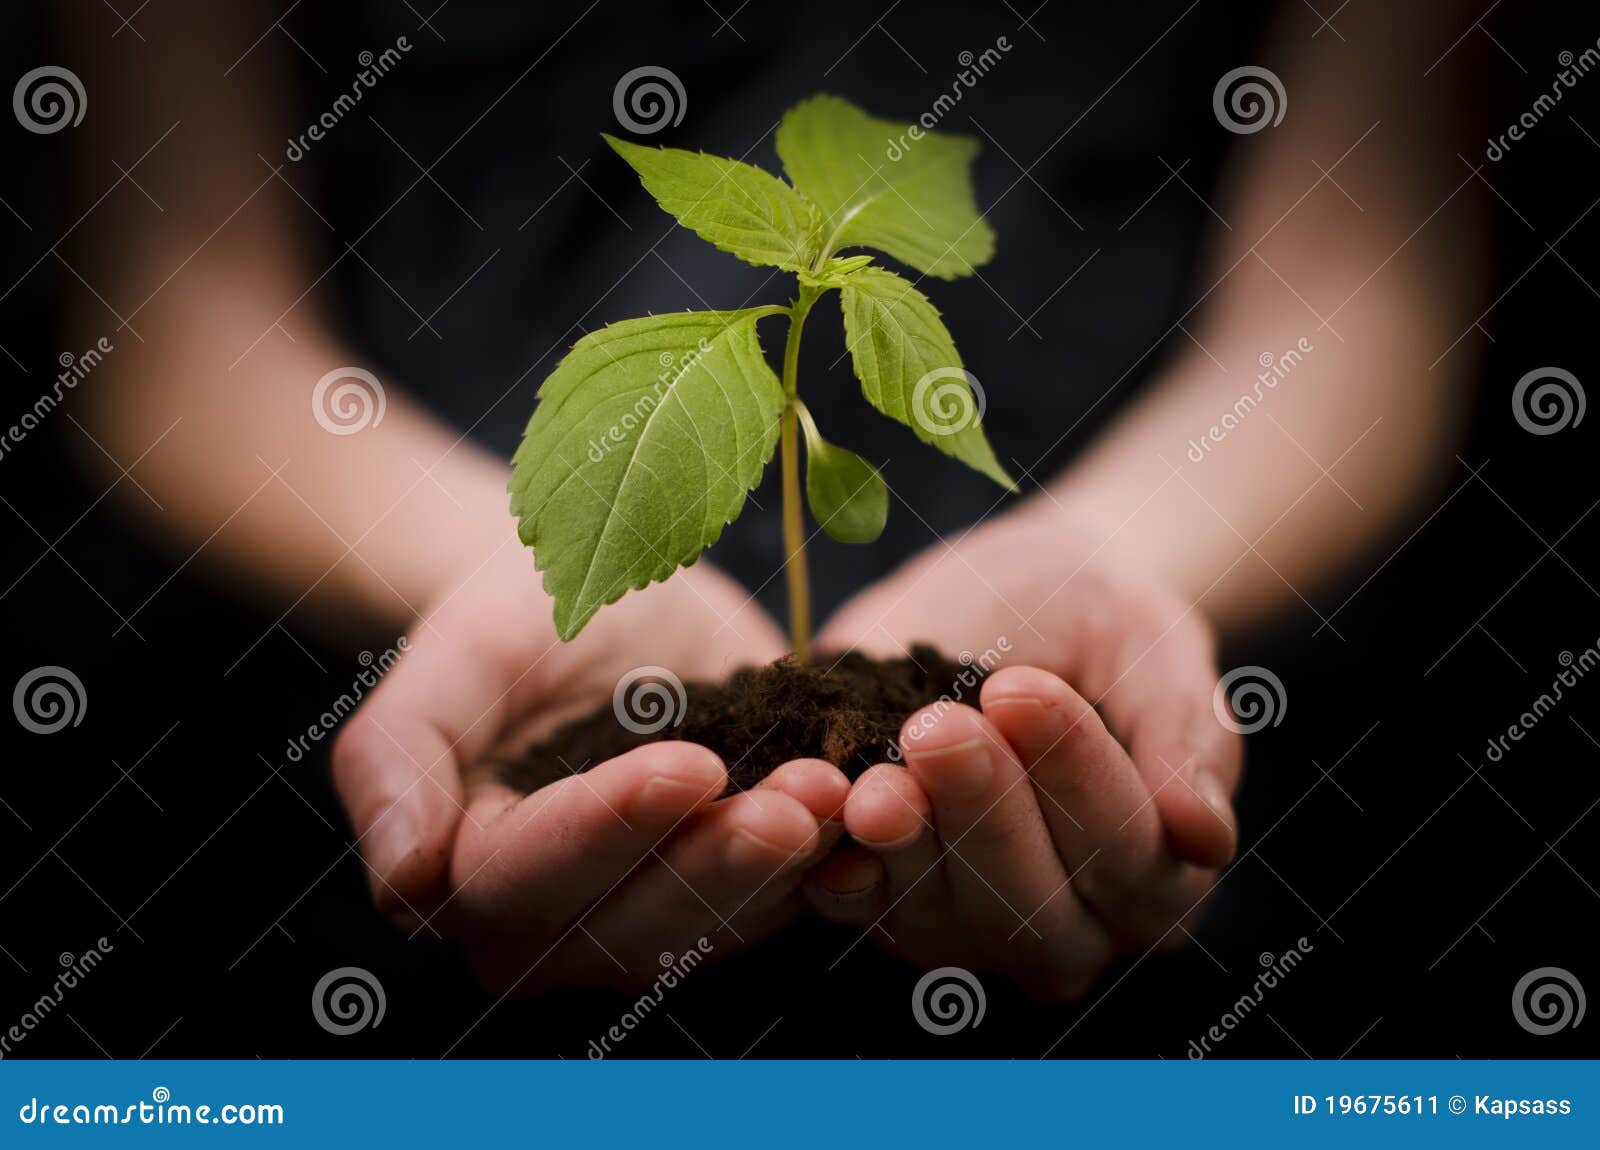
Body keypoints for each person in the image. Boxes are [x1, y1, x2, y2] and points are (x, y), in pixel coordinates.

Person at [68, 1, 1480, 1001]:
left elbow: (1366, 271)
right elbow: (178, 304)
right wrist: (505, 564)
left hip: (1182, 833)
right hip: (352, 860)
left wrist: (1115, 550)